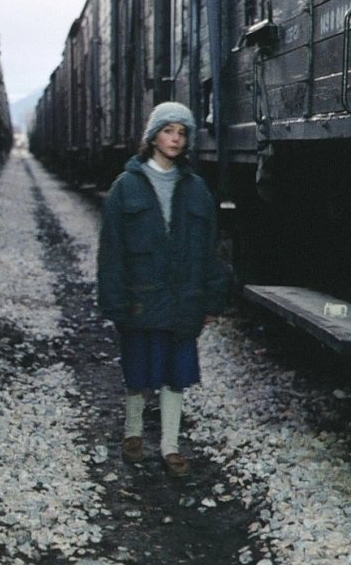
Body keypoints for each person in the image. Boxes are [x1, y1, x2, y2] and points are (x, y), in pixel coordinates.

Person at [96, 101, 228, 477]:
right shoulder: (125, 188)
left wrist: (212, 299)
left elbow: (211, 249)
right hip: (141, 298)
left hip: (183, 299)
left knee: (176, 374)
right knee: (137, 371)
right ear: (153, 137)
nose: (176, 139)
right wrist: (115, 303)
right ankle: (133, 434)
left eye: (182, 132)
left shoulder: (197, 190)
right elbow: (111, 252)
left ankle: (170, 445)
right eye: (168, 131)